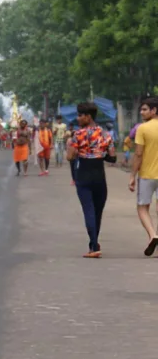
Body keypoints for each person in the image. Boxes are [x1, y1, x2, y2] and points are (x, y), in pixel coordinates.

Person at [68, 102, 115, 258]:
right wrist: (100, 154)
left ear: (88, 117)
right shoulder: (106, 135)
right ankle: (93, 243)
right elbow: (113, 157)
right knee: (97, 212)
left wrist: (75, 149)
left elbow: (70, 156)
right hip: (99, 176)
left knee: (88, 211)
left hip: (83, 175)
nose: (78, 118)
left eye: (80, 115)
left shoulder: (78, 135)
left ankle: (94, 245)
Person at [129, 98, 158, 256]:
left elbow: (139, 154)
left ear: (154, 111)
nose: (142, 112)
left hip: (147, 175)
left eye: (145, 109)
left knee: (142, 208)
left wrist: (132, 175)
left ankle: (153, 235)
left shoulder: (143, 129)